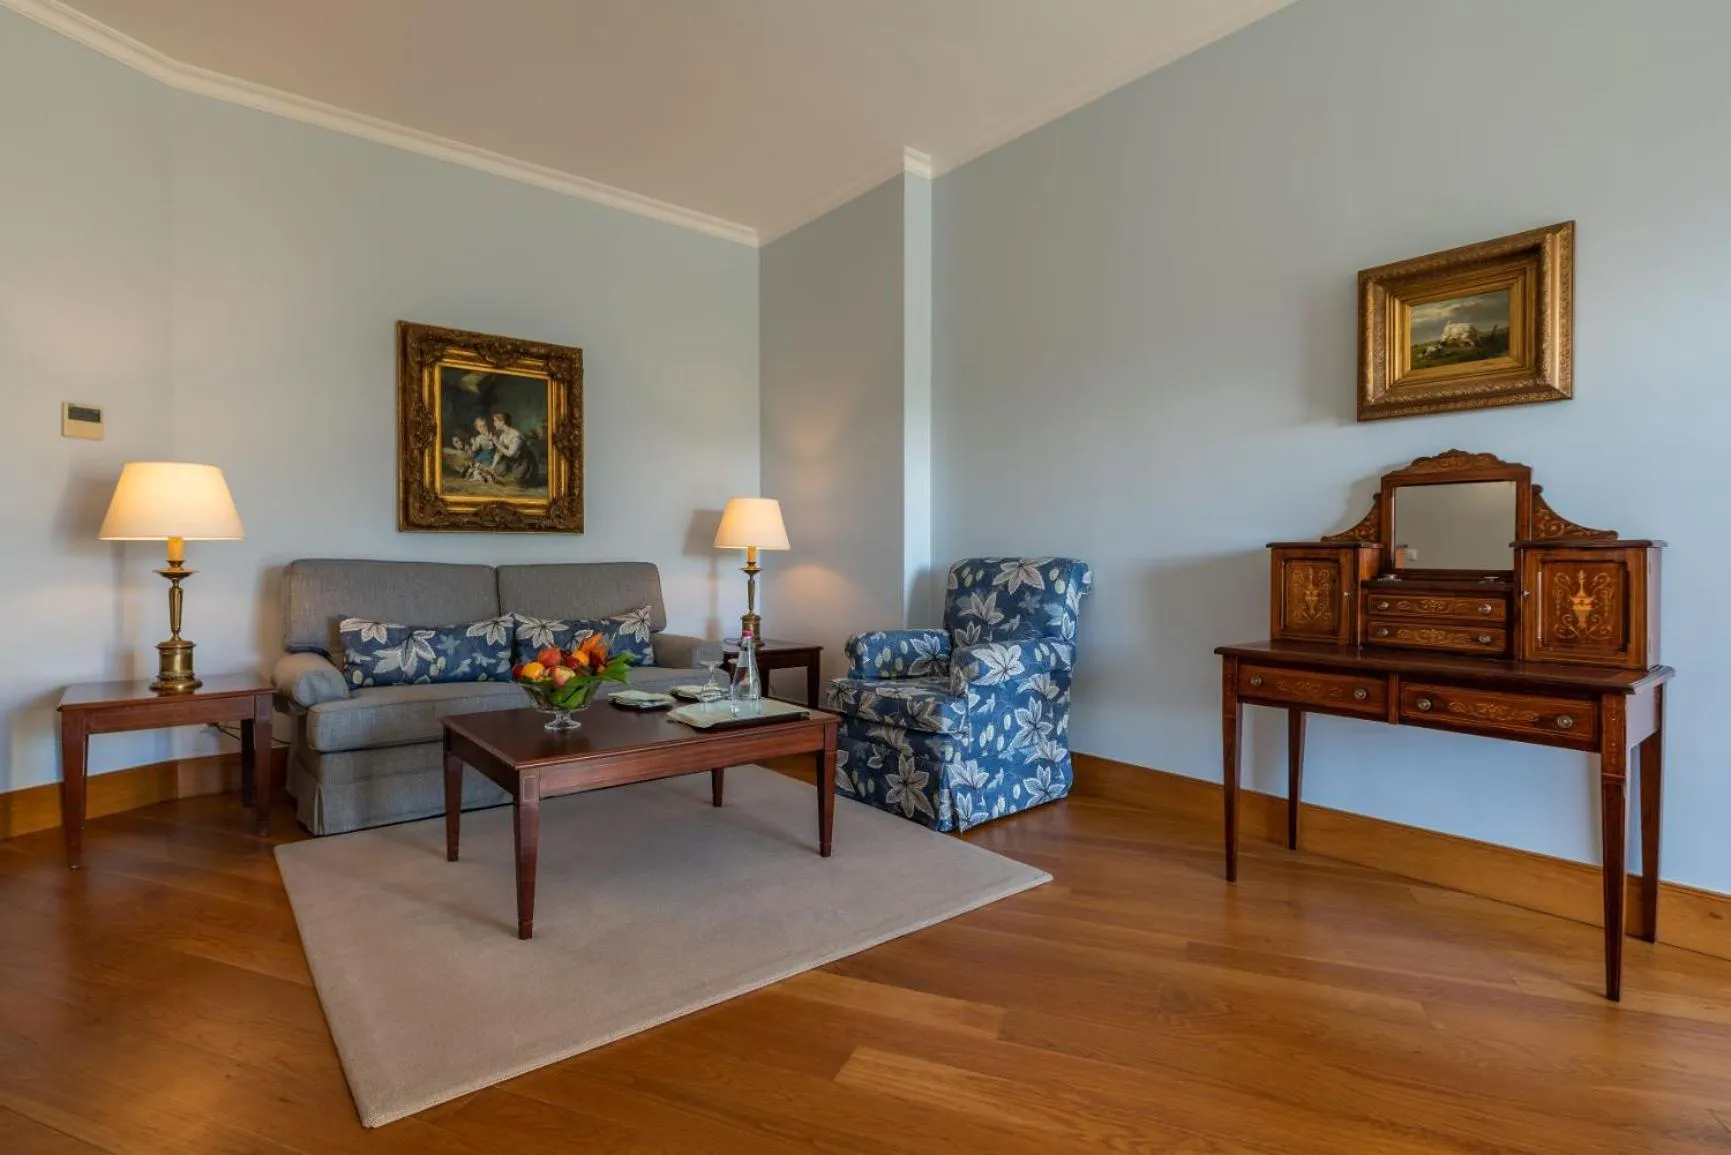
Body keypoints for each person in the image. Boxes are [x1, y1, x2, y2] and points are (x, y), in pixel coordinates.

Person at [490, 411, 536, 485]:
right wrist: (492, 466)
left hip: (523, 460)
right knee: (498, 471)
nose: (493, 423)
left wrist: (497, 443)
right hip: (512, 459)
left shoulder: (515, 436)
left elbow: (510, 453)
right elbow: (499, 451)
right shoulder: (503, 434)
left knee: (519, 480)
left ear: (502, 422)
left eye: (495, 421)